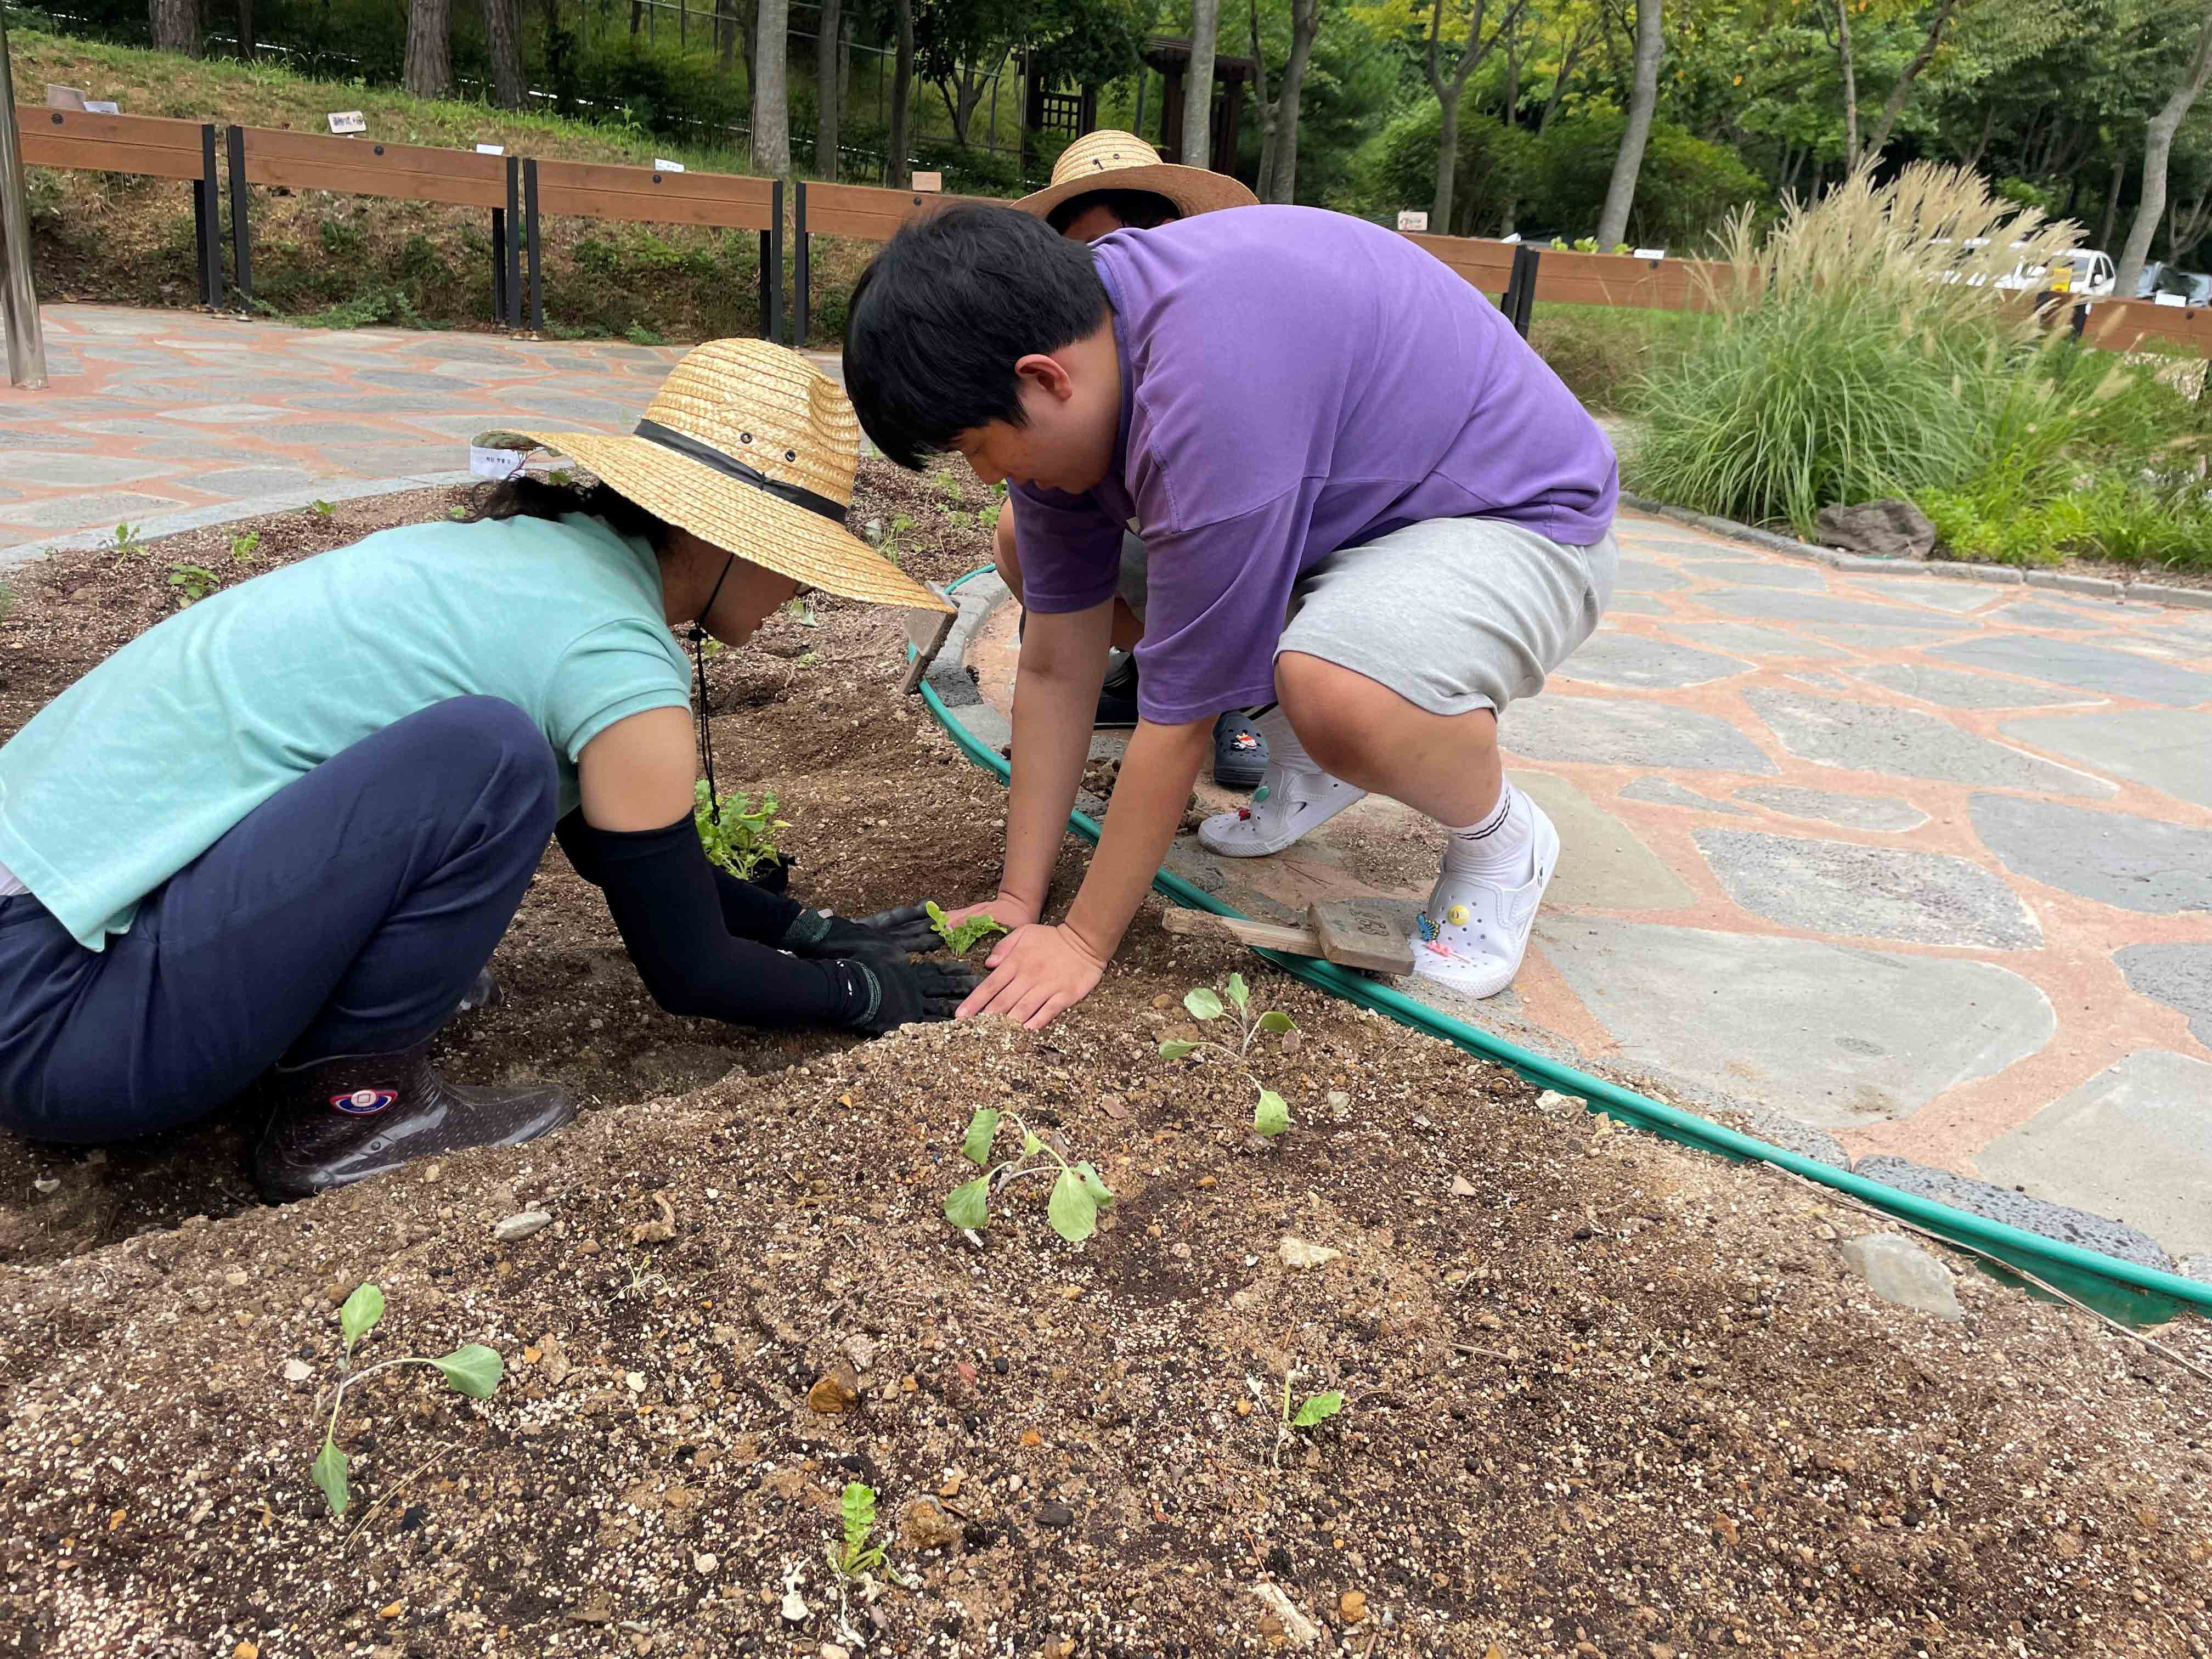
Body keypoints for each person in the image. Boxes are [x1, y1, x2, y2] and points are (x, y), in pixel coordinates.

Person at [0, 339, 977, 1201]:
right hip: (62, 1024)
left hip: (52, 945)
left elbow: (622, 855)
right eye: (797, 557)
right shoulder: (615, 657)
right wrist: (862, 993)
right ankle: (355, 1110)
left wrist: (809, 930)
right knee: (488, 756)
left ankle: (340, 1021)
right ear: (722, 538)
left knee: (485, 765)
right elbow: (688, 968)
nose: (801, 588)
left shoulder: (519, 564)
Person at [843, 205, 1618, 1028]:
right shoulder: (1082, 349)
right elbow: (1056, 664)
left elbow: (1179, 720)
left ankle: (1501, 839)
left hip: (1516, 521)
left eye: (974, 448)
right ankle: (1315, 760)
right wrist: (1016, 899)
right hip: (1341, 520)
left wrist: (1081, 941)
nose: (983, 473)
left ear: (1044, 380)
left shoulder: (1207, 399)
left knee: (1339, 689)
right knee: (1026, 550)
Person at [988, 131, 1287, 796]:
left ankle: (1225, 693)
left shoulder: (1214, 362)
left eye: (1129, 244)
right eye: (1087, 255)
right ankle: (1146, 672)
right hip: (1156, 548)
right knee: (1017, 535)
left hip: (1266, 557)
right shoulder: (1065, 373)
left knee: (1203, 543)